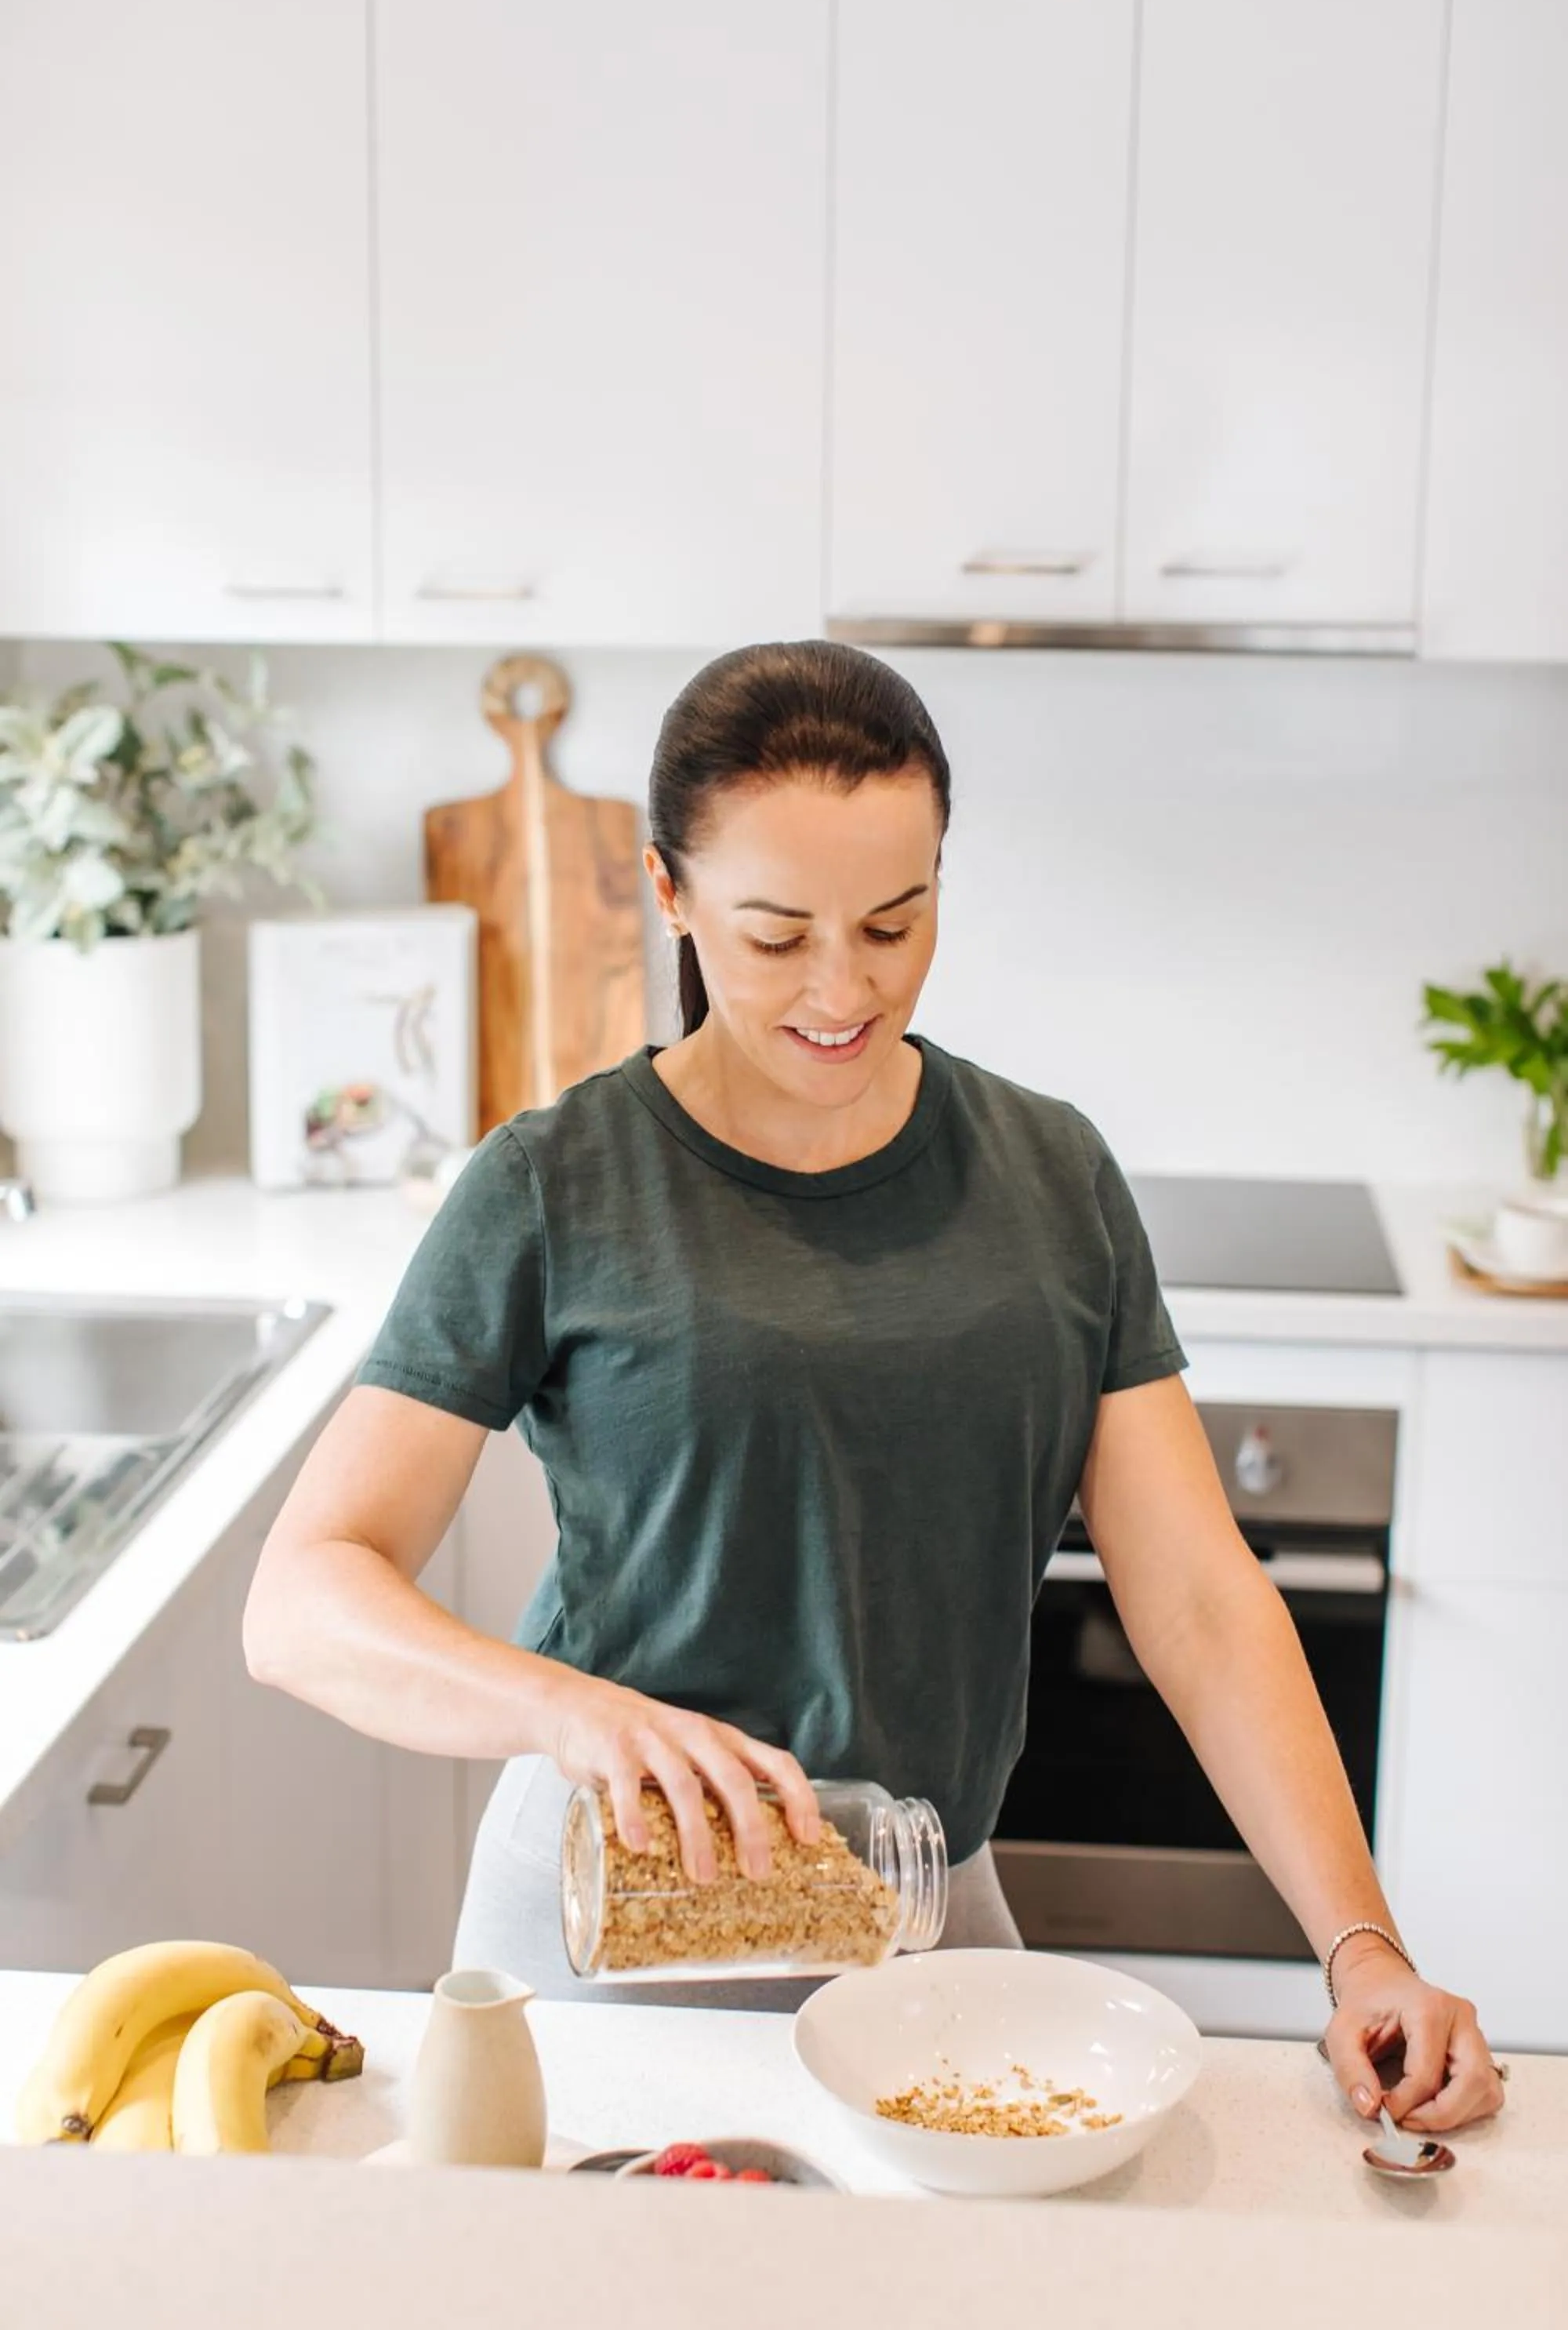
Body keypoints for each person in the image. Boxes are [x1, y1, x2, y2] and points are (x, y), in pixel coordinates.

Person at [245, 638, 1504, 2134]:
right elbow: (304, 1599)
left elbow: (1201, 1600)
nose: (844, 990)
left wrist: (1362, 1949)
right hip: (608, 1931)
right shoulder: (554, 1186)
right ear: (669, 895)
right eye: (775, 936)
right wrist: (575, 1716)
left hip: (925, 1916)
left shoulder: (1053, 1176)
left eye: (894, 925)